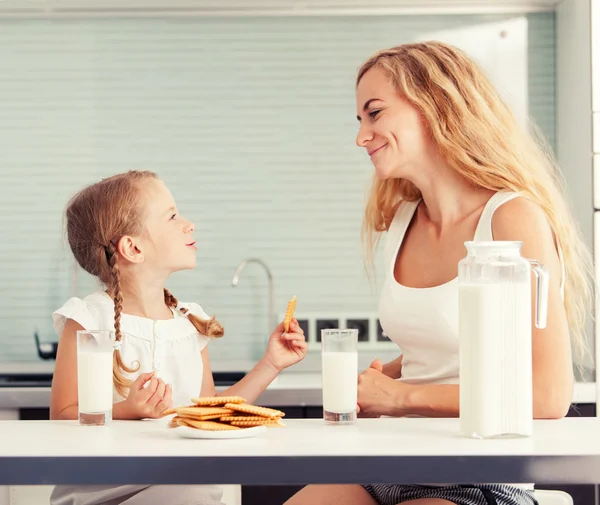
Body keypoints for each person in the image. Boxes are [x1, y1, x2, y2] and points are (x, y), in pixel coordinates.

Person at [285, 41, 593, 505]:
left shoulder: (512, 220)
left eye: (374, 113)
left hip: (483, 475)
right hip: (390, 462)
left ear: (434, 105)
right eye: (360, 120)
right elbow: (437, 354)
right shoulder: (402, 222)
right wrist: (375, 384)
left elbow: (548, 396)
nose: (361, 136)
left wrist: (400, 398)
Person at [49, 170, 308, 505]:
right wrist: (127, 410)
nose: (189, 223)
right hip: (104, 496)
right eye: (172, 216)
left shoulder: (189, 323)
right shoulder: (88, 319)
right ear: (132, 247)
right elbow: (62, 417)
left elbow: (210, 415)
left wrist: (271, 364)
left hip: (183, 487)